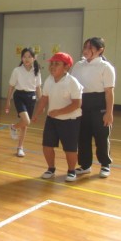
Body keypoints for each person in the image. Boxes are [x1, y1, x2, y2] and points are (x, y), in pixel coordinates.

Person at [32, 52, 83, 182]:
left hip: (70, 121)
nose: (52, 66)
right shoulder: (49, 80)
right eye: (52, 64)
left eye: (57, 64)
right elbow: (44, 99)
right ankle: (51, 169)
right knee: (47, 145)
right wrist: (36, 114)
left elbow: (77, 104)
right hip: (52, 119)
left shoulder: (72, 82)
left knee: (70, 148)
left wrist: (59, 112)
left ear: (66, 67)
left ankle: (71, 171)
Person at [71, 37, 116, 178]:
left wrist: (109, 113)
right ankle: (85, 165)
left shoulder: (106, 67)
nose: (86, 50)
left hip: (99, 104)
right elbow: (72, 86)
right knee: (83, 136)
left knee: (101, 137)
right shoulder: (78, 65)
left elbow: (109, 92)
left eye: (90, 48)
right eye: (85, 47)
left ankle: (105, 164)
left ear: (100, 50)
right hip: (82, 104)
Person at [5, 47, 42, 157]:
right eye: (24, 56)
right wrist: (8, 101)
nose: (27, 59)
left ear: (34, 58)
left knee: (25, 124)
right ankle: (14, 127)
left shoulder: (36, 71)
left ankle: (20, 147)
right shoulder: (17, 70)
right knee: (26, 121)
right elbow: (11, 86)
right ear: (21, 58)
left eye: (29, 57)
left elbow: (38, 88)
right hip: (19, 96)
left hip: (31, 97)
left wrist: (41, 103)